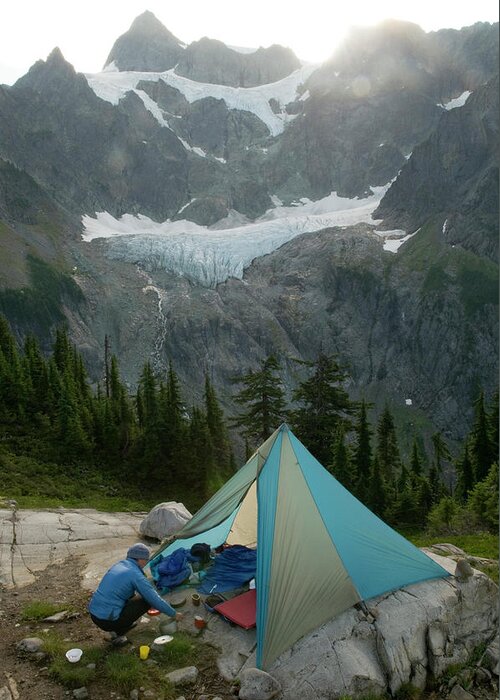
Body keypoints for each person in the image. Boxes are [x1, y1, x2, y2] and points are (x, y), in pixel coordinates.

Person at [88, 542, 183, 645]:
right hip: (106, 621)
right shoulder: (135, 574)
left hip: (94, 613)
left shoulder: (119, 565)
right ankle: (118, 635)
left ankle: (120, 625)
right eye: (146, 560)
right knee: (146, 601)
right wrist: (174, 614)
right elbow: (154, 599)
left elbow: (126, 592)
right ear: (141, 559)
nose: (146, 562)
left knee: (132, 596)